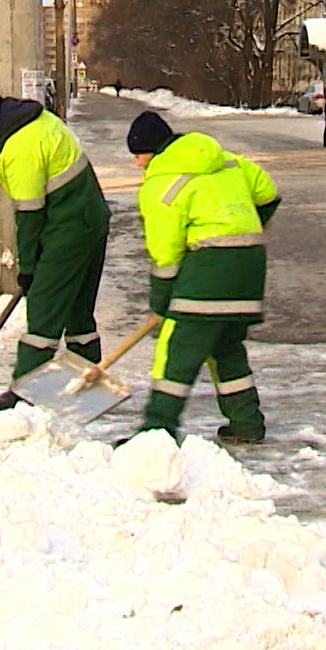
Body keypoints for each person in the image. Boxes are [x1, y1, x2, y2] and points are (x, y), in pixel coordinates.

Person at [124, 110, 280, 443]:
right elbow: (267, 192)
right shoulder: (226, 161)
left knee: (177, 350)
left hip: (210, 268)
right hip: (250, 265)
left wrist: (162, 299)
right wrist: (248, 228)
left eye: (138, 155)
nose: (137, 164)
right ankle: (247, 424)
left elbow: (166, 254)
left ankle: (156, 433)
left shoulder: (160, 184)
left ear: (152, 150)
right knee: (225, 346)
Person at [0, 92, 111, 409]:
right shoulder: (35, 122)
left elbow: (29, 217)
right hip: (89, 219)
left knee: (44, 309)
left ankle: (24, 392)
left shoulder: (21, 147)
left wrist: (28, 268)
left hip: (70, 227)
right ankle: (86, 379)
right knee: (77, 309)